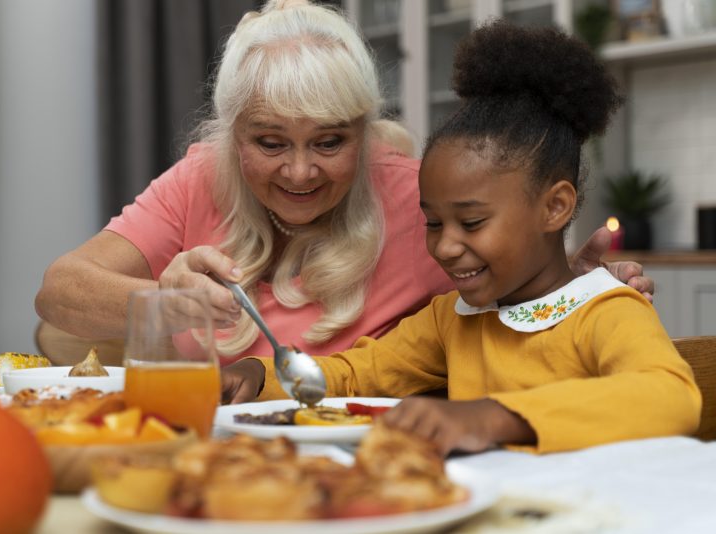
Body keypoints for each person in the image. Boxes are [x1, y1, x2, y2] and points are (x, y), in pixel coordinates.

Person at [35, 0, 653, 367]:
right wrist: (167, 303)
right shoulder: (201, 175)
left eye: (330, 142)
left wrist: (573, 284)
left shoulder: (416, 198)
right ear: (232, 135)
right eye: (269, 142)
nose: (300, 173)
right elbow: (60, 293)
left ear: (364, 130)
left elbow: (506, 293)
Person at [220, 21, 701, 456]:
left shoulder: (605, 309)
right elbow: (355, 374)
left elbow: (670, 396)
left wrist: (492, 417)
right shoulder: (453, 319)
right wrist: (261, 374)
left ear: (555, 206)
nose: (446, 246)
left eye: (471, 223)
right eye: (433, 223)